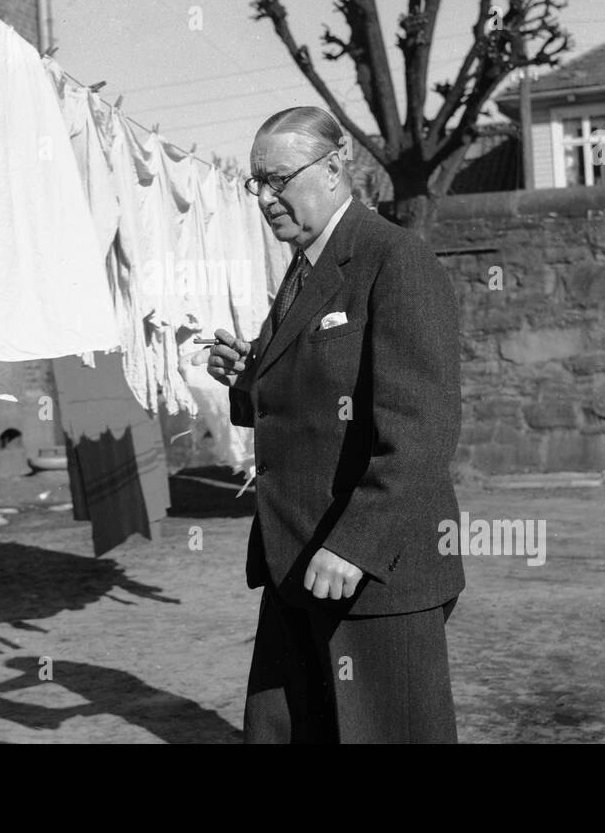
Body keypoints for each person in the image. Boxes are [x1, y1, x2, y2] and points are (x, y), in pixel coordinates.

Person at [207, 106, 464, 744]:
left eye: (278, 179)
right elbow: (312, 401)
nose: (265, 198)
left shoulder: (394, 260)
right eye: (255, 184)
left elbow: (421, 429)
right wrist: (249, 378)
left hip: (375, 571)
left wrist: (356, 544)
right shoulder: (304, 269)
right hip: (295, 558)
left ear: (333, 167)